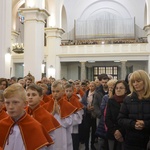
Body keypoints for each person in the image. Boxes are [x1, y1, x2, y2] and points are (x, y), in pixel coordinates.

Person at [0, 83, 53, 150]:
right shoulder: (2, 124)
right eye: (7, 103)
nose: (10, 107)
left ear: (25, 104)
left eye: (15, 102)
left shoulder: (35, 127)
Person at [118, 70, 150, 150]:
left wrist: (145, 124)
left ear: (145, 81)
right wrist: (133, 124)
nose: (135, 84)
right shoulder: (128, 99)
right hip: (131, 141)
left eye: (138, 81)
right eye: (133, 82)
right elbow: (120, 119)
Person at [43, 80, 77, 150]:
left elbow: (69, 123)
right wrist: (52, 113)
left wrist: (59, 113)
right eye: (53, 91)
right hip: (51, 135)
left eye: (57, 91)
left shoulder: (67, 105)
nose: (55, 94)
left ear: (63, 91)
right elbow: (43, 123)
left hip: (63, 134)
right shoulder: (46, 105)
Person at [26, 84, 61, 150]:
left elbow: (50, 139)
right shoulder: (22, 113)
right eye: (28, 95)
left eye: (34, 95)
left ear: (41, 97)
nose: (30, 97)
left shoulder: (46, 116)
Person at [105, 80, 129, 150]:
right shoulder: (111, 101)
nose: (118, 90)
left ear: (126, 90)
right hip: (112, 132)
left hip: (126, 133)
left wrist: (121, 132)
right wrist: (115, 132)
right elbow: (107, 118)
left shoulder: (129, 101)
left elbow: (129, 118)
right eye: (116, 88)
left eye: (121, 88)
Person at [64, 83, 84, 150]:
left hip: (74, 127)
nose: (68, 93)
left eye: (70, 91)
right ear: (64, 91)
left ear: (73, 91)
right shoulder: (63, 100)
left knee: (74, 144)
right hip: (65, 126)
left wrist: (70, 116)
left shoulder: (76, 101)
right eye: (67, 91)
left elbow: (79, 116)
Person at [81, 81, 98, 150]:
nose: (91, 87)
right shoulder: (86, 93)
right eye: (90, 86)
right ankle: (86, 146)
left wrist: (94, 107)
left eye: (92, 86)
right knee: (86, 130)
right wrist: (86, 107)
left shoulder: (97, 94)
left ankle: (92, 144)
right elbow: (82, 103)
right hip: (87, 114)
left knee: (94, 130)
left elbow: (98, 103)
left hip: (94, 115)